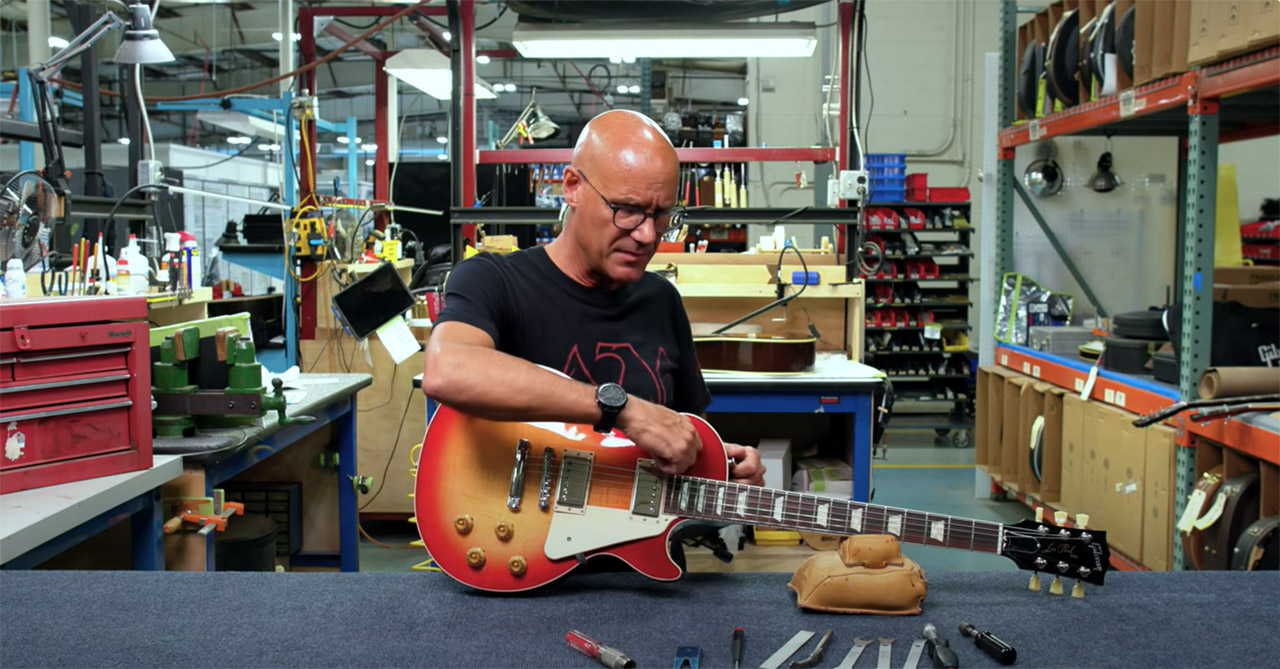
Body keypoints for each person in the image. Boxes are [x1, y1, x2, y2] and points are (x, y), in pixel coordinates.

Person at [421, 109, 765, 489]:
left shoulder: (661, 300)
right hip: (514, 541)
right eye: (628, 210)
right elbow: (448, 368)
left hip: (634, 546)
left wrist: (719, 471)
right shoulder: (495, 280)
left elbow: (677, 439)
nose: (648, 235)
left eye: (663, 215)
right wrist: (624, 410)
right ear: (572, 186)